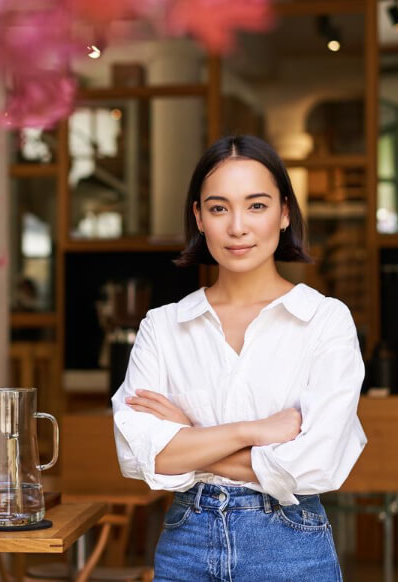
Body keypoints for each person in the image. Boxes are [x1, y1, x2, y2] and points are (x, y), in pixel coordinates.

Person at [111, 135, 366, 581]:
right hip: (186, 547)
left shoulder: (324, 320)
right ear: (199, 218)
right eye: (218, 208)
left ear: (284, 213)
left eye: (257, 205)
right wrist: (253, 432)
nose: (237, 227)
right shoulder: (164, 326)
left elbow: (316, 464)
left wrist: (189, 440)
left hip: (291, 547)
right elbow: (137, 454)